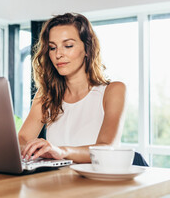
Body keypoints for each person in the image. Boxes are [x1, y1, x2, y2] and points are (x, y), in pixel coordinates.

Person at [18, 13, 126, 164]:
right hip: (59, 181)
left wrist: (60, 151)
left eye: (68, 46)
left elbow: (106, 148)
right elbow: (22, 139)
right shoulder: (46, 94)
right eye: (52, 47)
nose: (58, 54)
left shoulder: (113, 91)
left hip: (97, 182)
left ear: (88, 49)